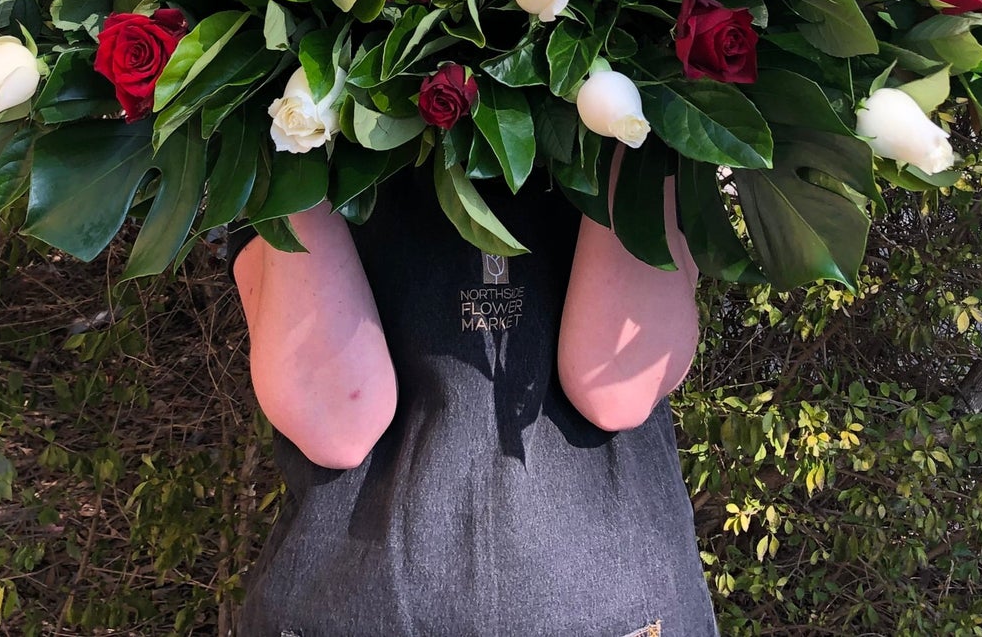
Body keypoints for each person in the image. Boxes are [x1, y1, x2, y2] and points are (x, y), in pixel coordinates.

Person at [228, 162, 718, 637]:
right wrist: (294, 129)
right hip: (352, 604)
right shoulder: (259, 148)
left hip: (617, 612)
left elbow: (617, 389)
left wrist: (632, 112)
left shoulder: (655, 137)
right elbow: (337, 423)